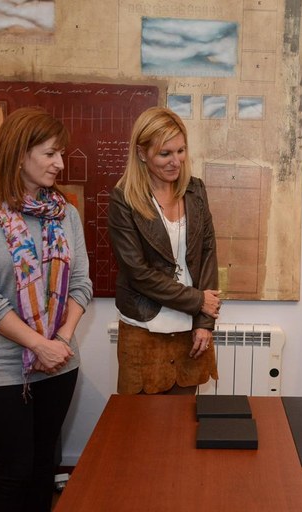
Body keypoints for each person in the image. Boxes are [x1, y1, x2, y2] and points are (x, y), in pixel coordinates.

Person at [0, 107, 93, 512]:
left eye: (61, 153)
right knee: (13, 472)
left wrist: (61, 341)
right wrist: (39, 344)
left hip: (61, 365)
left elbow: (82, 285)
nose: (60, 163)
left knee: (41, 470)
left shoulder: (67, 215)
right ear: (19, 155)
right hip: (1, 370)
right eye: (50, 154)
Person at [108, 106, 220, 395]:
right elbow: (138, 273)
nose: (176, 162)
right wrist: (197, 301)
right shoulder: (124, 199)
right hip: (144, 327)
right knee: (142, 429)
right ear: (142, 153)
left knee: (183, 428)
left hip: (190, 328)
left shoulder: (196, 191)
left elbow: (208, 253)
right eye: (165, 154)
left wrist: (204, 322)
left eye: (180, 151)